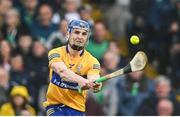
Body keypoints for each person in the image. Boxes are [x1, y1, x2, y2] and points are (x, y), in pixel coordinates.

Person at [43, 19, 102, 116]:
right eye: (77, 32)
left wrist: (96, 85)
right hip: (55, 106)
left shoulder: (93, 61)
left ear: (87, 38)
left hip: (77, 110)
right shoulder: (55, 52)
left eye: (84, 34)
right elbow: (62, 72)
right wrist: (80, 80)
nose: (80, 37)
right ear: (68, 34)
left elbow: (94, 78)